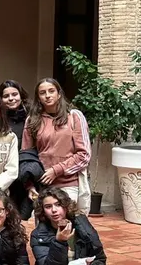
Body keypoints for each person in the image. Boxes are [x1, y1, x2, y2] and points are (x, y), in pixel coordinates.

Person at [22, 78, 91, 211]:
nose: (47, 95)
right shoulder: (32, 120)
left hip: (68, 184)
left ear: (59, 94)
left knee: (65, 225)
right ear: (38, 97)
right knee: (43, 229)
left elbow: (84, 155)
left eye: (51, 91)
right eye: (42, 93)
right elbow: (26, 157)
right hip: (42, 185)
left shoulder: (74, 116)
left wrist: (56, 171)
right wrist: (30, 186)